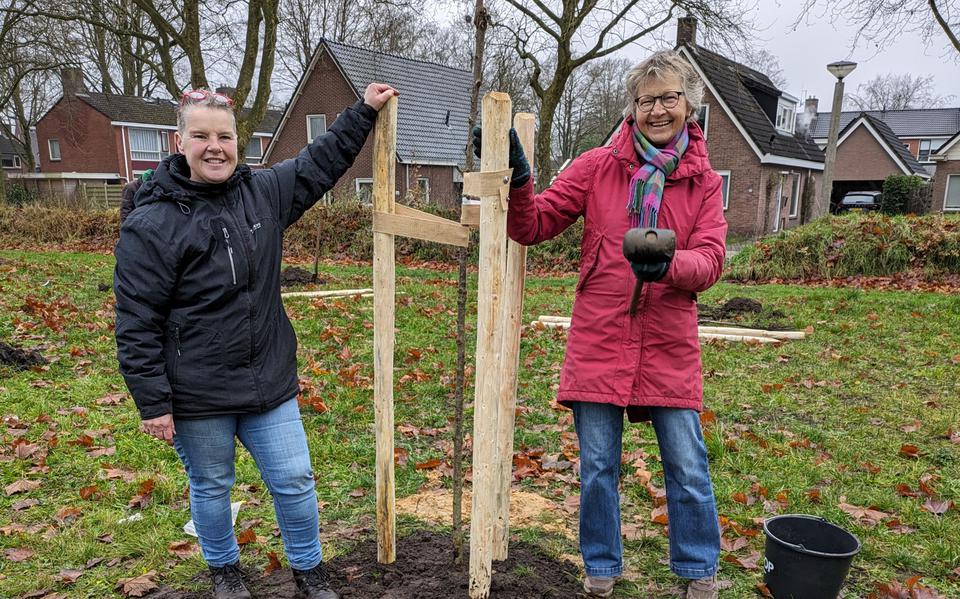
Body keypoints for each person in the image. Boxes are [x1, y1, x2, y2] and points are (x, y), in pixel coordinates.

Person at [114, 83, 397, 599]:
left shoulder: (262, 192)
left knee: (294, 480)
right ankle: (225, 573)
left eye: (224, 136)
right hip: (197, 391)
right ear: (180, 143)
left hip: (267, 378)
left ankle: (310, 573)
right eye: (201, 136)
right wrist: (153, 401)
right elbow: (136, 320)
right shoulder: (151, 223)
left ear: (237, 143)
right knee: (212, 486)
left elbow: (319, 161)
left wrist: (364, 111)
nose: (214, 146)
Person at [474, 50, 726, 598]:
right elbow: (533, 225)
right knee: (596, 467)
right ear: (631, 108)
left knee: (686, 465)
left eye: (668, 98)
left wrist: (668, 265)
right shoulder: (596, 166)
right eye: (646, 100)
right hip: (601, 338)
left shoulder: (702, 181)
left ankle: (698, 569)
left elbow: (710, 261)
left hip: (667, 342)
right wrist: (520, 178)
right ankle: (602, 569)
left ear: (689, 105)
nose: (657, 110)